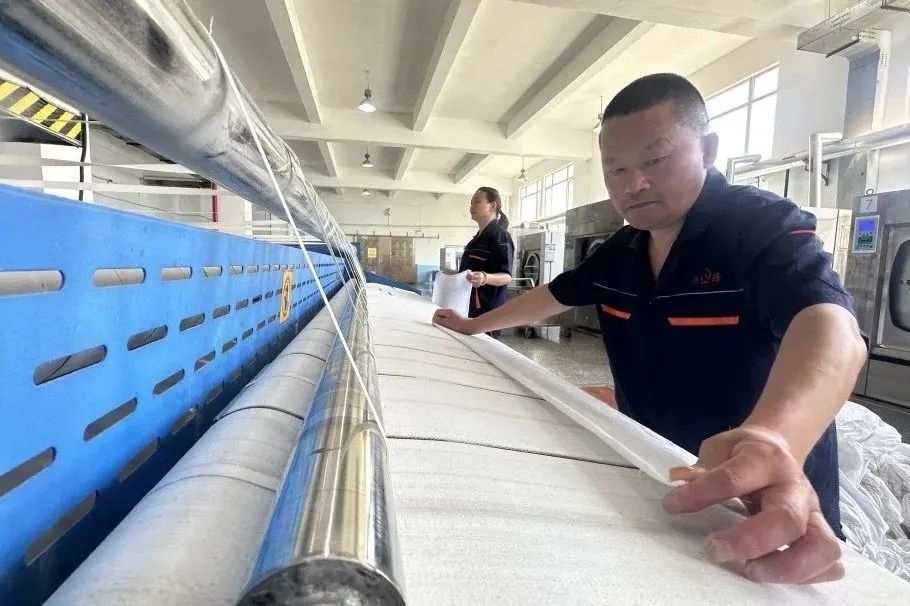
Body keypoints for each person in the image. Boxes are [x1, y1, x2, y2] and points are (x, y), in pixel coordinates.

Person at [434, 73, 867, 584]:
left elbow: (831, 327)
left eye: (655, 160)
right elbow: (551, 297)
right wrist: (474, 326)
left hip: (767, 497)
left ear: (707, 150)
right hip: (659, 477)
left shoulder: (758, 228)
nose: (631, 184)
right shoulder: (621, 253)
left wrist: (776, 438)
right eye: (614, 168)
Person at [441, 186, 514, 338]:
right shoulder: (475, 240)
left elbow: (507, 277)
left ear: (492, 206)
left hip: (487, 314)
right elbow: (471, 273)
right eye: (471, 203)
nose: (471, 206)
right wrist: (456, 274)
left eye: (476, 201)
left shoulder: (500, 236)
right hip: (468, 308)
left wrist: (484, 278)